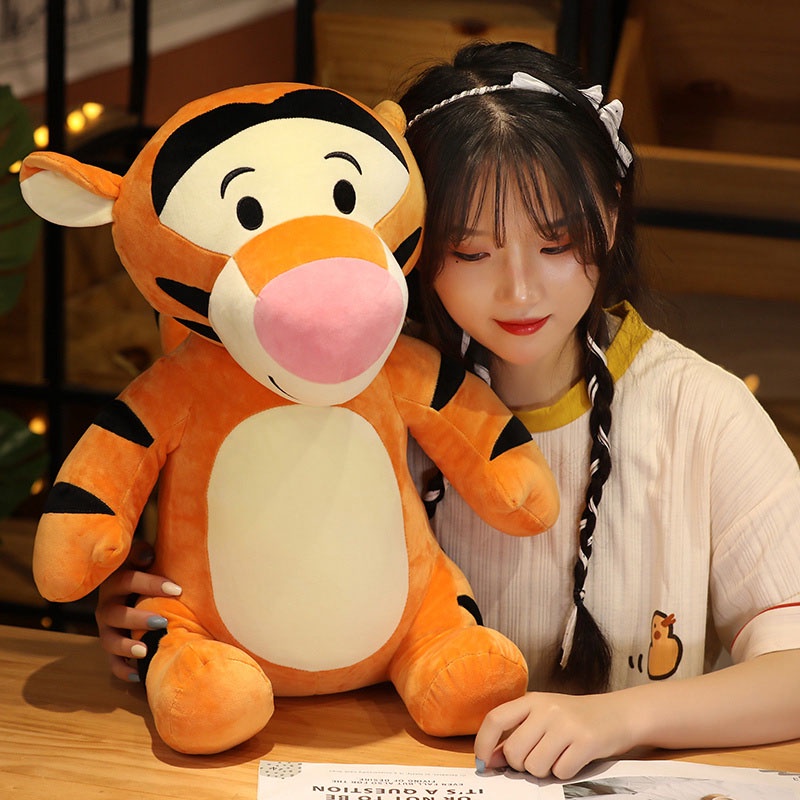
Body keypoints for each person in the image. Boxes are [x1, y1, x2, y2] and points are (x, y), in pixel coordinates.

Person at [95, 41, 800, 780]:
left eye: (557, 241)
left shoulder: (702, 412)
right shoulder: (345, 400)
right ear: (414, 239)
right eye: (471, 252)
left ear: (612, 213)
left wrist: (618, 717)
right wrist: (155, 622)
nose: (520, 290)